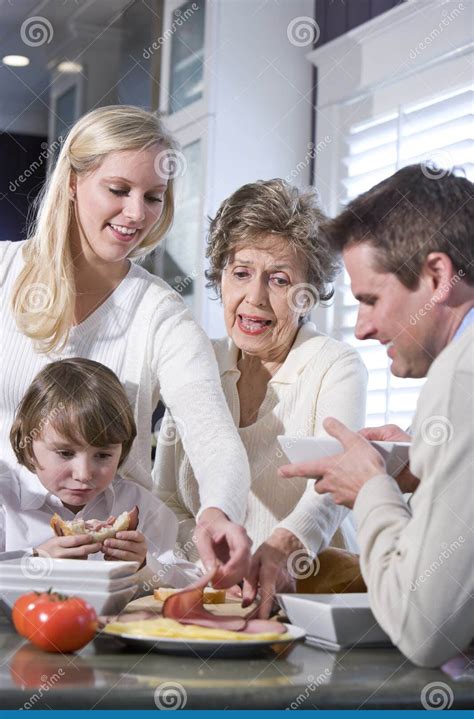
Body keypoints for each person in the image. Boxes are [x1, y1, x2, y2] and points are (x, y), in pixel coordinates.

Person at [0, 105, 251, 587]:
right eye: (118, 190)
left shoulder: (159, 313)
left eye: (153, 197)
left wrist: (217, 512)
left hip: (116, 567)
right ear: (73, 182)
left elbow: (214, 437)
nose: (137, 214)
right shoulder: (6, 274)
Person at [280, 164, 474, 667]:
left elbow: (423, 629)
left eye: (370, 299)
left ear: (435, 277)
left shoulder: (460, 372)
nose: (362, 328)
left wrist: (370, 488)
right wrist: (424, 466)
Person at [153, 179, 368, 616]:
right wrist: (209, 562)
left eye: (279, 280)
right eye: (241, 273)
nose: (254, 298)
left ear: (309, 293)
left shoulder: (336, 365)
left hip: (317, 597)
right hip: (219, 600)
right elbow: (168, 499)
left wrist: (284, 547)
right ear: (220, 276)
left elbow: (335, 486)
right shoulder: (198, 363)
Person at [2, 358, 200, 591]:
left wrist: (146, 564)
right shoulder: (6, 501)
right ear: (28, 446)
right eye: (65, 453)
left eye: (103, 455)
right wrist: (34, 559)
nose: (84, 474)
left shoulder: (142, 507)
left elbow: (193, 585)